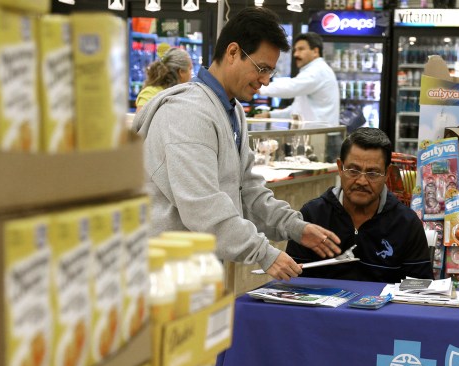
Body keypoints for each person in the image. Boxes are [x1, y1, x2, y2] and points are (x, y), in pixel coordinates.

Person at [133, 7, 342, 281]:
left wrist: (295, 227)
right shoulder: (187, 112)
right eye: (262, 68)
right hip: (163, 277)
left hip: (197, 273)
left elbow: (247, 190)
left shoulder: (232, 111)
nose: (265, 81)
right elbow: (203, 207)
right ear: (233, 53)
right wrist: (265, 253)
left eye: (271, 71)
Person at [285, 128, 433, 283]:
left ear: (388, 174)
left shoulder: (406, 223)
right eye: (353, 170)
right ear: (340, 168)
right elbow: (292, 281)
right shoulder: (312, 216)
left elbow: (420, 290)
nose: (362, 181)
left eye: (373, 173)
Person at [256, 33, 340, 126]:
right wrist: (270, 115)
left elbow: (292, 87)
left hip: (322, 137)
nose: (296, 54)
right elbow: (297, 109)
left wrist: (259, 86)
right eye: (295, 50)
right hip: (313, 136)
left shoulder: (318, 70)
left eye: (301, 49)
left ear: (315, 51)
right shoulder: (311, 71)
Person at [136, 44, 193, 111]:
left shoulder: (183, 94)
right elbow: (141, 119)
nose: (191, 74)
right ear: (181, 72)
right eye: (190, 69)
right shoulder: (150, 94)